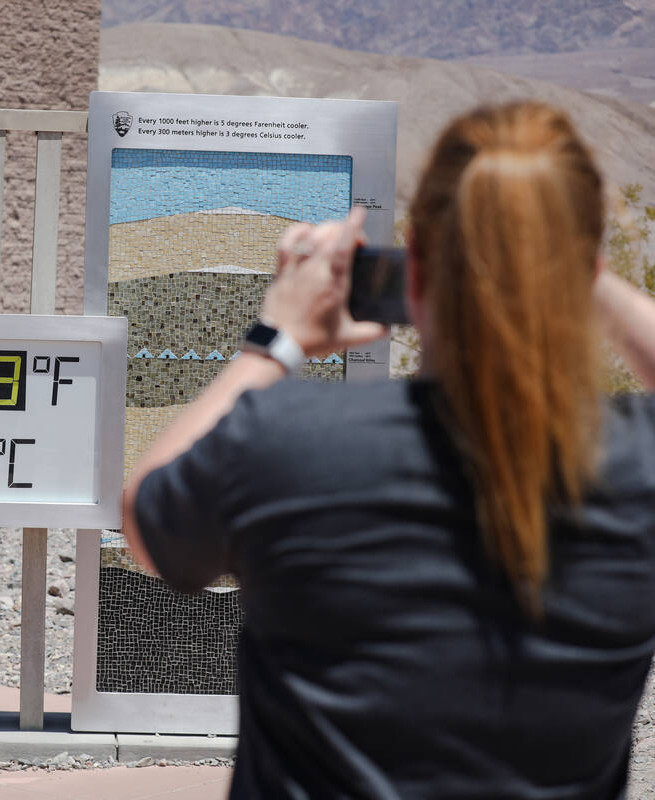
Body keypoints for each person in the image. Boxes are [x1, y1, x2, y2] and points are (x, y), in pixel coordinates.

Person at [123, 101, 655, 798]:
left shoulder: (290, 442)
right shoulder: (636, 467)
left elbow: (144, 520)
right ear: (584, 270)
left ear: (415, 270)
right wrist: (565, 261)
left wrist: (275, 340)